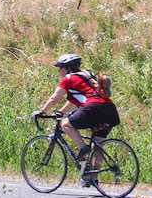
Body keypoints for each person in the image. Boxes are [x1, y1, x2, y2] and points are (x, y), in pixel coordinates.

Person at [32, 53, 120, 186]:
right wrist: (61, 111)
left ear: (67, 68)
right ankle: (91, 177)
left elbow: (54, 98)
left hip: (93, 107)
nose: (59, 71)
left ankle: (83, 148)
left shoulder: (68, 79)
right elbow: (77, 99)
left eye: (60, 67)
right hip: (109, 110)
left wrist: (42, 111)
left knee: (65, 124)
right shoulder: (87, 75)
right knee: (98, 144)